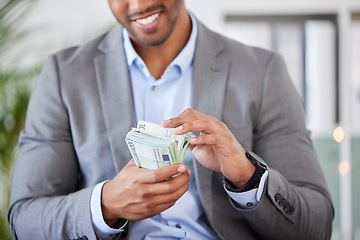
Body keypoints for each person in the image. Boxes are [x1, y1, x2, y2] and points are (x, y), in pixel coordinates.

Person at [8, 0, 334, 239]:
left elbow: (315, 225)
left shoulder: (262, 71)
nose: (139, 4)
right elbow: (25, 219)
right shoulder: (64, 76)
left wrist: (247, 176)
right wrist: (106, 204)